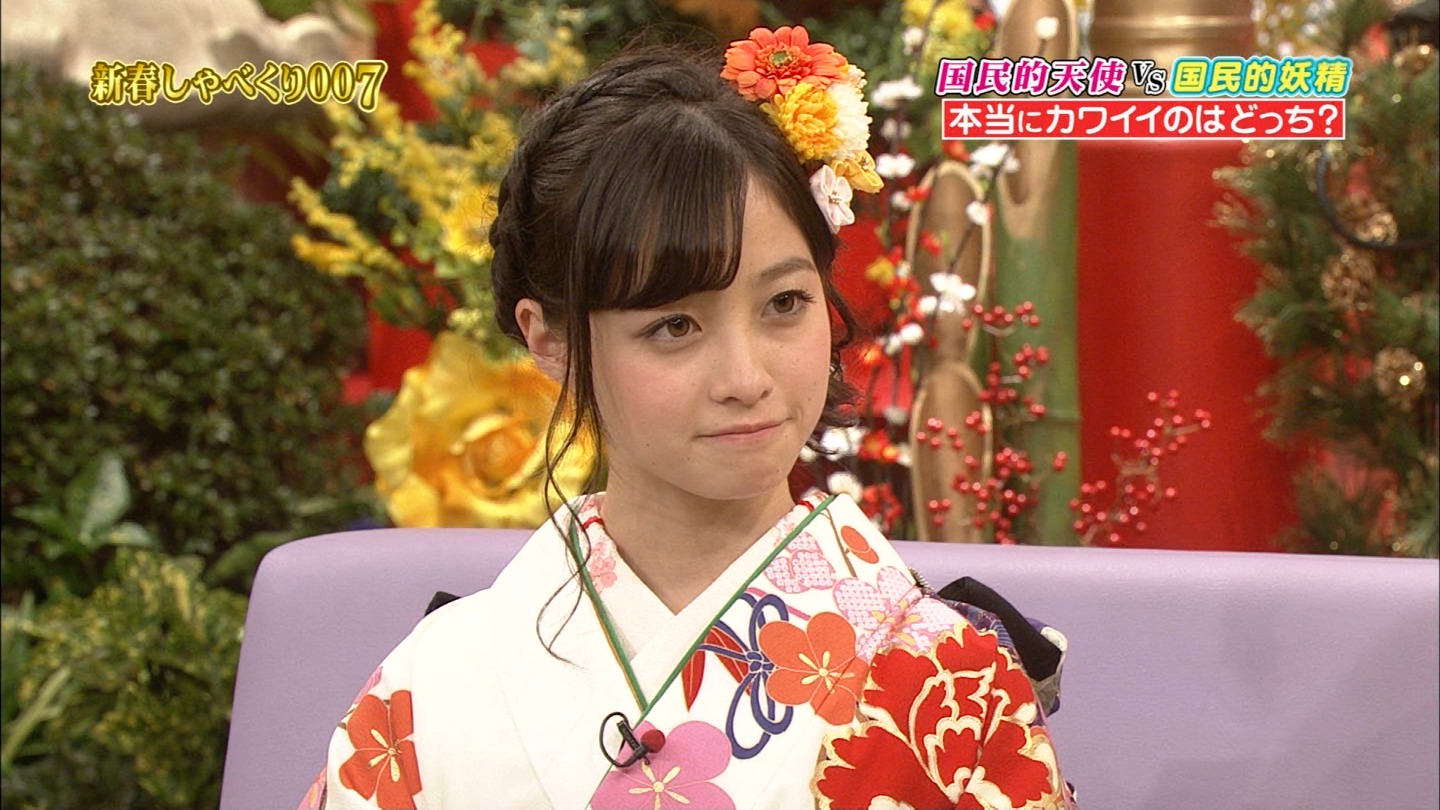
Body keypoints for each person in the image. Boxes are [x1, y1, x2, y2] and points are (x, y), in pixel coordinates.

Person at [301, 27, 1073, 810]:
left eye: (784, 303)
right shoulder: (438, 683)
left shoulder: (947, 673)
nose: (746, 379)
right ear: (551, 339)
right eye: (674, 326)